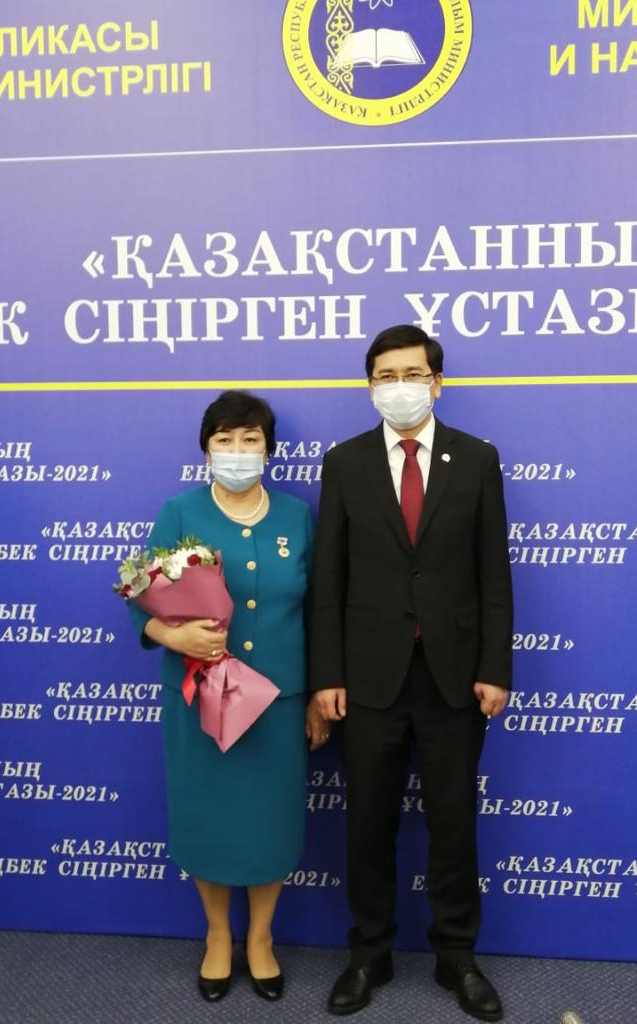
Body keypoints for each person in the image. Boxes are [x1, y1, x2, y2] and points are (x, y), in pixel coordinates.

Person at [310, 325, 513, 1022]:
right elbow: (329, 580)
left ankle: (458, 957)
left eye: (413, 373)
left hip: (454, 677)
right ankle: (370, 954)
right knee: (368, 825)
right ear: (370, 386)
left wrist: (494, 666)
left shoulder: (477, 459)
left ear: (437, 382)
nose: (400, 386)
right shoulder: (345, 463)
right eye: (386, 375)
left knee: (454, 824)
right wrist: (327, 675)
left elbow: (494, 574)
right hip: (368, 679)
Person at [128, 391, 328, 1004]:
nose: (237, 451)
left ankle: (261, 938)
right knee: (207, 819)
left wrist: (316, 695)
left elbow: (320, 611)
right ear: (206, 449)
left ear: (268, 450)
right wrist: (172, 634)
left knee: (271, 824)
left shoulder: (297, 516)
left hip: (278, 702)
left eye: (250, 439)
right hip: (200, 698)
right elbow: (140, 594)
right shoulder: (179, 512)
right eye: (224, 439)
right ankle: (218, 935)